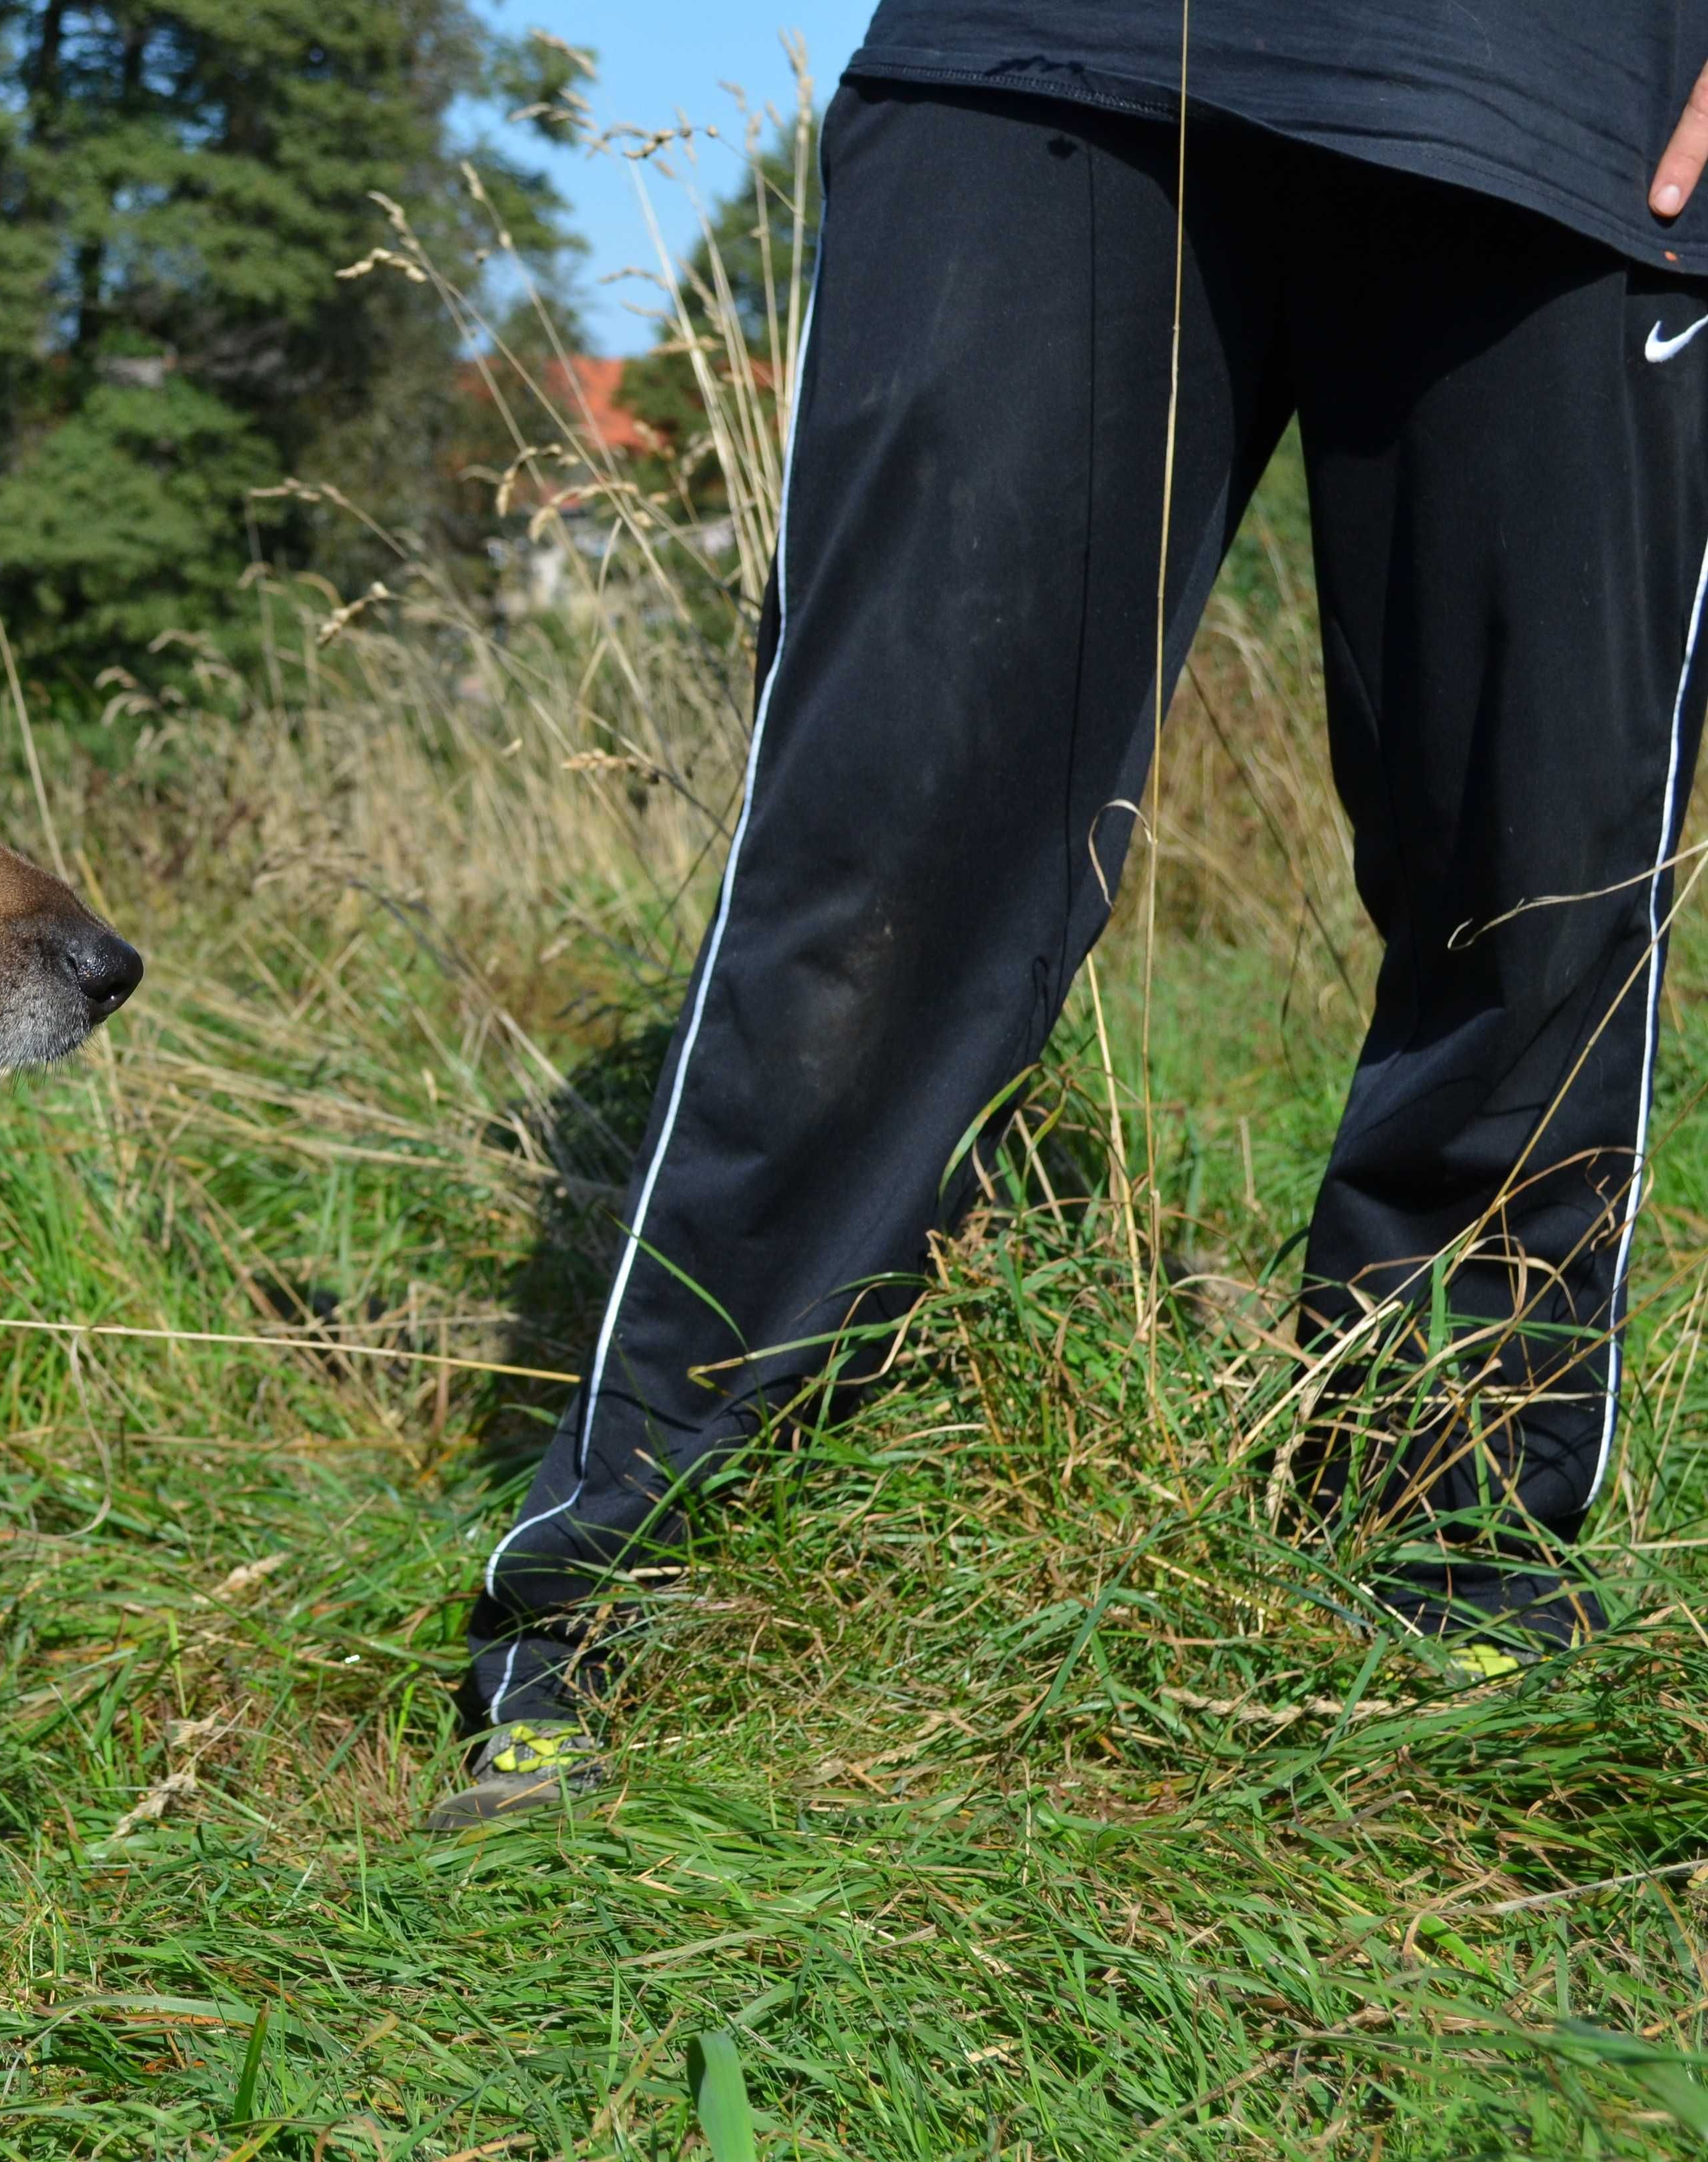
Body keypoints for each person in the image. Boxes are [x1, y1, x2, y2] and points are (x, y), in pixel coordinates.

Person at [431, 2, 1708, 1830]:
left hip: (1574, 107)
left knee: (1544, 887)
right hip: (1050, 54)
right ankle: (628, 1565)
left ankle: (1456, 1539)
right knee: (885, 852)